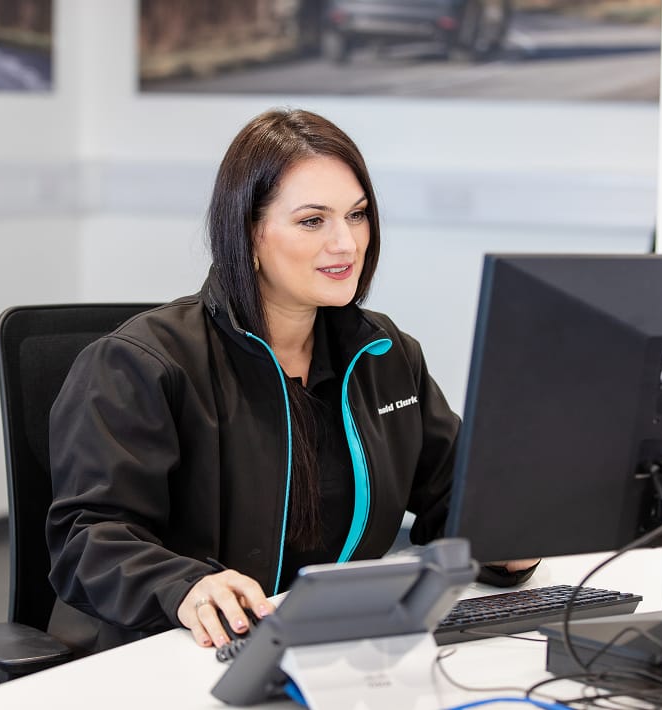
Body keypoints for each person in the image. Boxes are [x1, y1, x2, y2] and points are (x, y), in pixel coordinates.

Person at [46, 108, 539, 655]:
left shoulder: (384, 354)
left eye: (357, 216)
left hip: (335, 648)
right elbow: (88, 540)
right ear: (250, 233)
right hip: (180, 653)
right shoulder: (138, 364)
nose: (347, 245)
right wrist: (186, 587)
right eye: (313, 221)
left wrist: (509, 538)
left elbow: (456, 493)